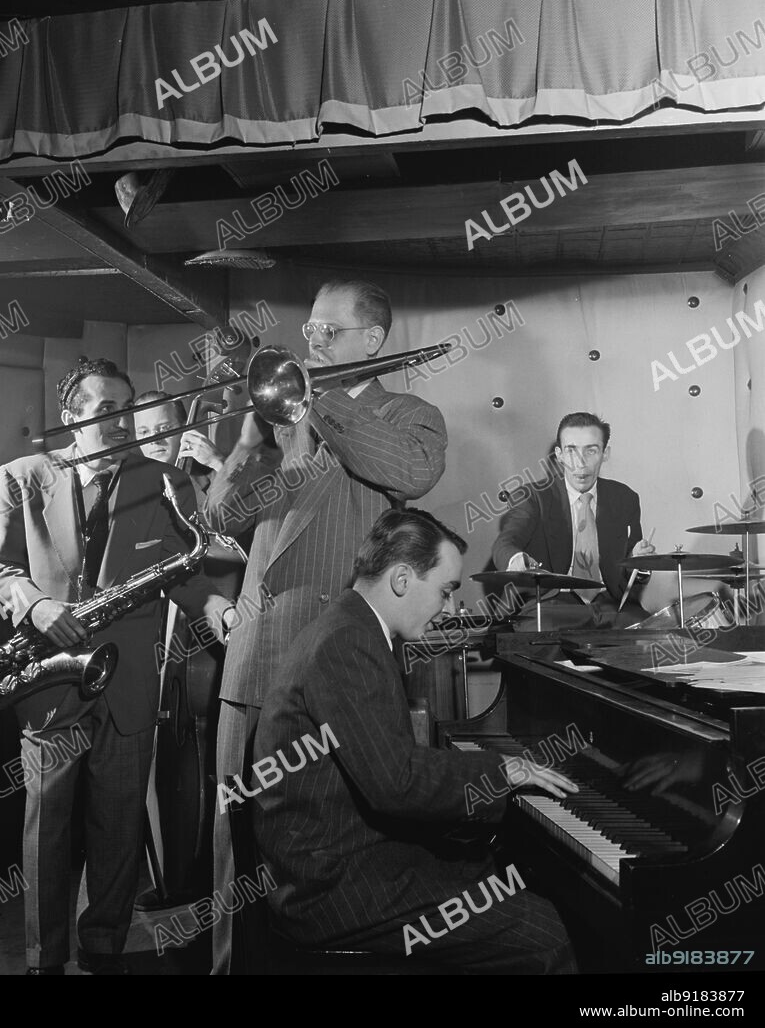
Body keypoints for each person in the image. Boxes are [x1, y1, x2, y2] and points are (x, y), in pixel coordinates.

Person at [205, 278, 448, 972]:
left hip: (333, 670)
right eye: (309, 330)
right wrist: (251, 442)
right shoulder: (277, 422)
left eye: (328, 333)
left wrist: (317, 399)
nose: (311, 342)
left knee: (324, 848)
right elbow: (222, 517)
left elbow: (409, 472)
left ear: (372, 340)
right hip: (256, 656)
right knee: (235, 850)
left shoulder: (408, 413)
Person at [0, 356, 234, 975]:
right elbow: (1, 570)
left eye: (126, 409)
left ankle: (103, 949)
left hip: (128, 683)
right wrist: (38, 607)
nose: (121, 422)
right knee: (46, 830)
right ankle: (43, 960)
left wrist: (217, 605)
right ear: (71, 417)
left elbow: (185, 571)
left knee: (119, 828)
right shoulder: (20, 476)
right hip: (49, 677)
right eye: (106, 410)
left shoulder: (164, 481)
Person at [252, 508, 577, 972]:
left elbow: (387, 766)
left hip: (337, 856)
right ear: (402, 579)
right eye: (445, 590)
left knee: (495, 868)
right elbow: (396, 783)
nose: (448, 606)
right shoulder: (348, 643)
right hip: (330, 889)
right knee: (542, 932)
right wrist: (503, 770)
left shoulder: (350, 626)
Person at [491, 412, 656, 629]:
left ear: (605, 453)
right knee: (541, 629)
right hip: (551, 604)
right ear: (559, 455)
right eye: (571, 450)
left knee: (649, 629)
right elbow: (505, 543)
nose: (580, 462)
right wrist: (516, 560)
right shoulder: (533, 497)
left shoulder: (624, 498)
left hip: (610, 605)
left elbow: (630, 577)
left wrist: (640, 563)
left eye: (591, 450)